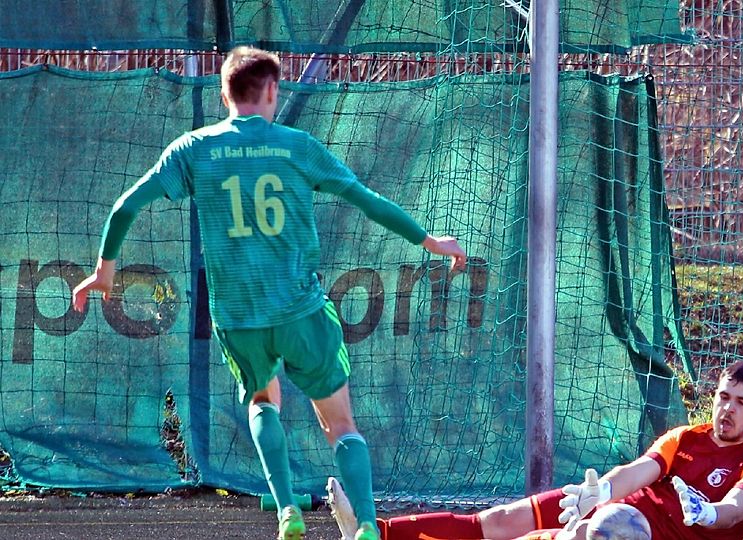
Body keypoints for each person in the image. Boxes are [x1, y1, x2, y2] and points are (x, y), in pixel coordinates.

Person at [71, 46, 468, 540]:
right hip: (300, 310)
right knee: (341, 425)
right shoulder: (297, 146)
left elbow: (125, 207)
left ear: (224, 94)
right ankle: (366, 523)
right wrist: (429, 240)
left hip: (240, 319)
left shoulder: (194, 148)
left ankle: (287, 511)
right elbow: (366, 200)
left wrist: (105, 273)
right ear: (273, 90)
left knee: (262, 401)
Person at [326, 360, 743, 540]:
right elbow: (641, 470)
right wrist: (600, 491)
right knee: (499, 522)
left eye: (742, 403)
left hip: (630, 534)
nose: (728, 409)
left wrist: (708, 514)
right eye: (724, 396)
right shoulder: (687, 436)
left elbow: (738, 509)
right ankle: (375, 533)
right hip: (613, 511)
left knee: (607, 529)